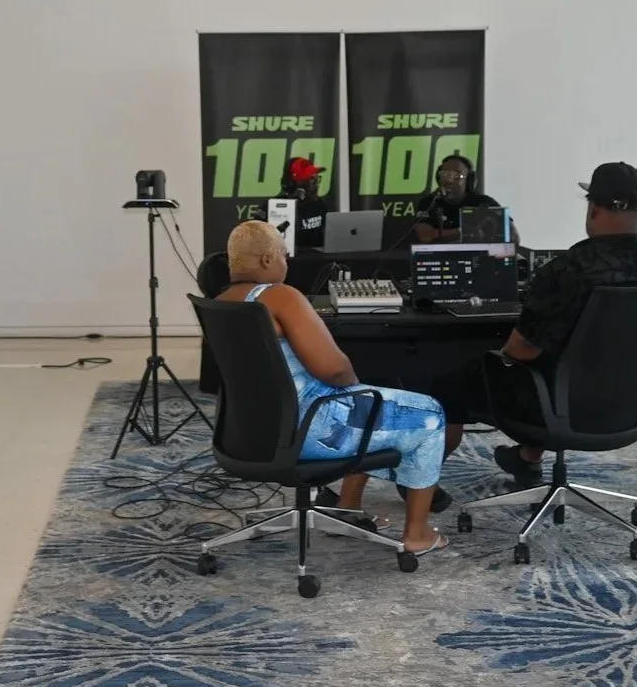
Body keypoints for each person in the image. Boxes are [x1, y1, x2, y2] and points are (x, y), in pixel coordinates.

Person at [434, 161, 637, 483]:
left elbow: (521, 351)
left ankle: (424, 484)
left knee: (447, 383)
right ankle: (527, 459)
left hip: (557, 409)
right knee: (558, 365)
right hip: (628, 408)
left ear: (593, 209)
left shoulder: (570, 270)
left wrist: (497, 360)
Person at [217, 220, 448, 554]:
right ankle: (417, 534)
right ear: (268, 260)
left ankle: (348, 509)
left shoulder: (222, 301)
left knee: (372, 403)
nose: (287, 264)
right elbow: (335, 369)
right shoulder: (280, 296)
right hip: (311, 430)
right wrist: (354, 388)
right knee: (431, 413)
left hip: (251, 431)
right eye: (284, 256)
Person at [412, 154, 517, 244]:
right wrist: (464, 233)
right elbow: (424, 235)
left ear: (469, 181)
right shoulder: (429, 202)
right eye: (444, 174)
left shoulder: (484, 203)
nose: (448, 181)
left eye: (456, 176)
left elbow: (513, 237)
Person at [278, 155, 329, 250]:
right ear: (293, 184)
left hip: (317, 261)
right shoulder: (273, 207)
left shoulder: (319, 205)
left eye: (317, 178)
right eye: (311, 179)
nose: (317, 184)